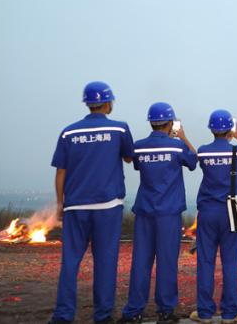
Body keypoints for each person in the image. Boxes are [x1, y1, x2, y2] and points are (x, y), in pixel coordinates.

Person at [49, 81, 134, 324]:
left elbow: (61, 172)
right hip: (108, 207)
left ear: (87, 103)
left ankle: (63, 316)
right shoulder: (119, 129)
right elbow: (129, 158)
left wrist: (60, 204)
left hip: (75, 207)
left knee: (70, 262)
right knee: (105, 263)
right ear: (108, 103)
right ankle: (103, 316)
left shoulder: (68, 132)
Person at [118, 103, 197, 324]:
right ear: (171, 123)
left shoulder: (139, 147)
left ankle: (134, 311)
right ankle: (165, 311)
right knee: (167, 262)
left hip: (144, 211)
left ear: (151, 122)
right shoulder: (177, 147)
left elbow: (137, 166)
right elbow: (193, 161)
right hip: (169, 213)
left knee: (141, 262)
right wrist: (183, 137)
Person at [190, 110, 237, 324]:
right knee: (230, 263)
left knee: (205, 262)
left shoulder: (203, 152)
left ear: (211, 129)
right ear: (230, 129)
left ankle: (204, 313)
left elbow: (198, 161)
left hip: (208, 212)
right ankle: (229, 313)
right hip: (231, 214)